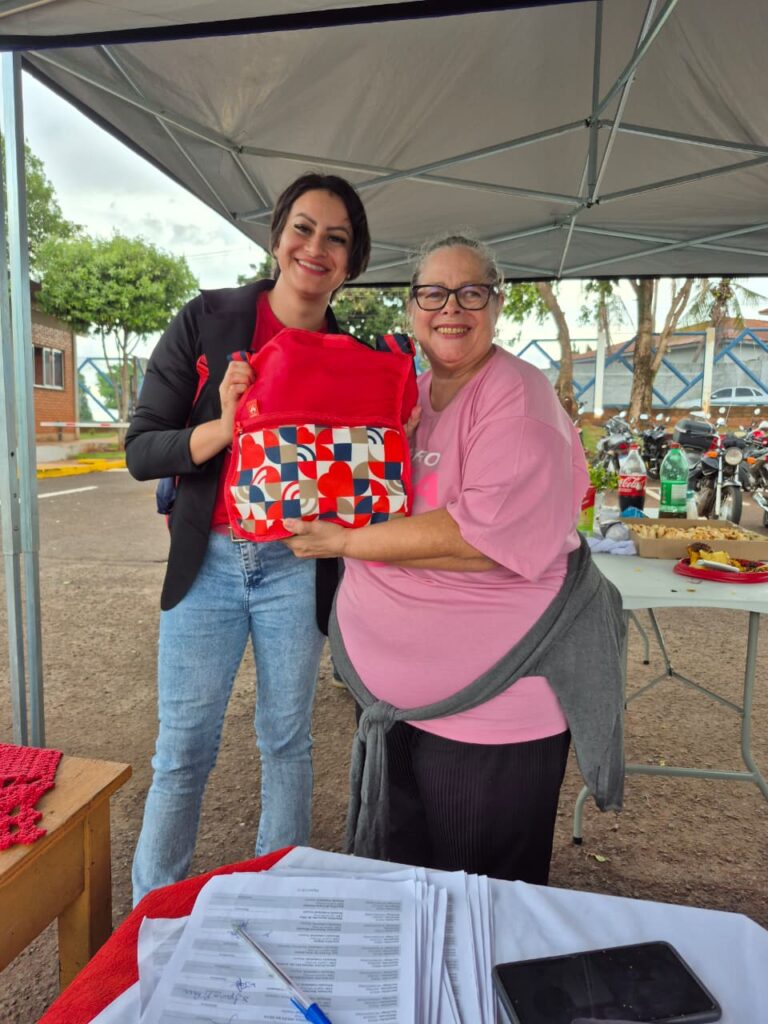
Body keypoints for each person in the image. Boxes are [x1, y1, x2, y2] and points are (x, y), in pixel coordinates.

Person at [284, 234, 625, 884]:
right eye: (433, 293)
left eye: (470, 292)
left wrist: (343, 542)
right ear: (412, 307)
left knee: (479, 897)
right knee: (407, 889)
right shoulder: (407, 398)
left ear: (497, 304)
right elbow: (349, 488)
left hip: (488, 716)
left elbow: (484, 539)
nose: (451, 308)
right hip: (391, 704)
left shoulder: (517, 396)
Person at [125, 173, 371, 904]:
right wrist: (225, 428)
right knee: (182, 751)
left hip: (298, 566)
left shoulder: (353, 358)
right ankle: (151, 915)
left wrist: (388, 437)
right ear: (276, 237)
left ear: (352, 262)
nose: (315, 247)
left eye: (336, 238)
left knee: (287, 742)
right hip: (207, 562)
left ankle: (279, 903)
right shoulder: (207, 318)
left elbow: (360, 481)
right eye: (303, 228)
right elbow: (142, 448)